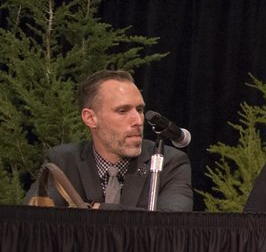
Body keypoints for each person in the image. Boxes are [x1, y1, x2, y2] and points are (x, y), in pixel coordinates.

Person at [24, 69, 193, 210]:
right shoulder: (63, 161)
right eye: (122, 111)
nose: (138, 120)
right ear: (90, 118)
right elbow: (35, 222)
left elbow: (172, 223)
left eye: (140, 109)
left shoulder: (170, 162)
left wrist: (100, 209)